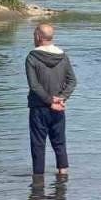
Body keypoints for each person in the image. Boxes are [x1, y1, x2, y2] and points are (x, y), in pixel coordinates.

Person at [26, 24, 78, 177]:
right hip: (59, 107)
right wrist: (61, 97)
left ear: (38, 37)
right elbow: (72, 81)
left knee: (38, 145)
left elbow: (34, 85)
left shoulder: (31, 57)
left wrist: (50, 101)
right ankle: (63, 178)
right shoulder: (63, 56)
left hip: (39, 108)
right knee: (60, 142)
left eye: (34, 35)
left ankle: (38, 183)